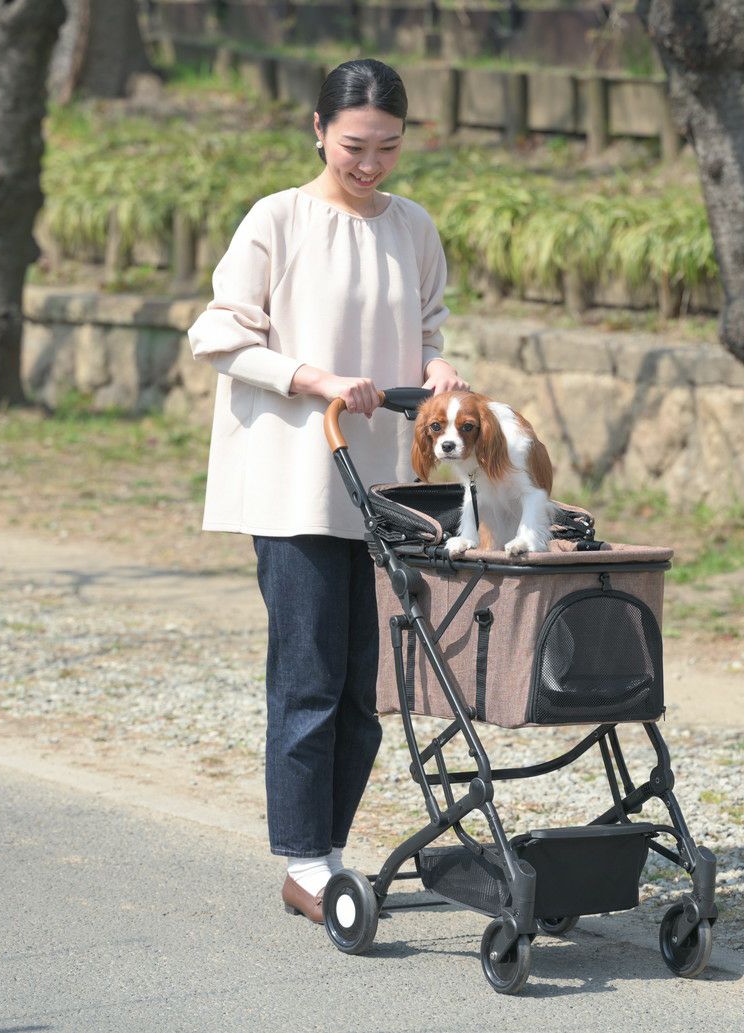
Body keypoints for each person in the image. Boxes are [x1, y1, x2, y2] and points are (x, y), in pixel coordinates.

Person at [187, 58, 468, 923]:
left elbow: (426, 329)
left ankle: (328, 851)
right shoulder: (276, 219)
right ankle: (305, 861)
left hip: (384, 489)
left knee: (363, 690)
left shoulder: (412, 226)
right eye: (353, 146)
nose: (370, 164)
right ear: (317, 129)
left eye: (388, 146)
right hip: (295, 485)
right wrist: (315, 378)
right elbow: (218, 335)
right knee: (309, 677)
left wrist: (439, 368)